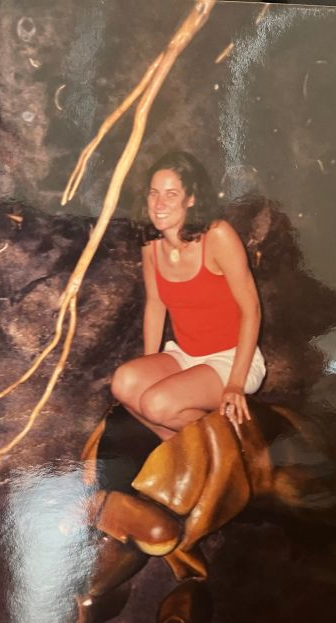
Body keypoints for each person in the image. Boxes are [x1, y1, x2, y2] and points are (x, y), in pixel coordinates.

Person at [110, 151, 265, 440]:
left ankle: (236, 443)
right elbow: (155, 305)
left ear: (191, 198)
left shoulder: (217, 236)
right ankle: (185, 448)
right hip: (186, 355)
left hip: (231, 358)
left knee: (156, 405)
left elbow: (251, 309)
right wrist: (150, 364)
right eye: (154, 193)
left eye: (171, 194)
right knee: (125, 383)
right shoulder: (152, 245)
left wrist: (234, 383)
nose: (159, 204)